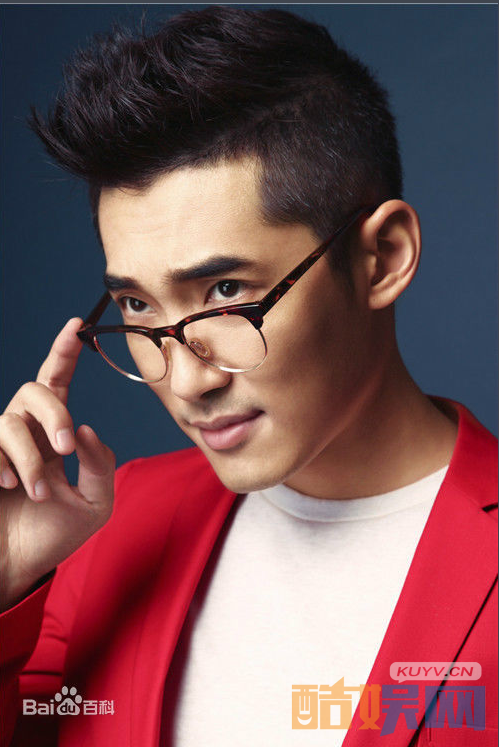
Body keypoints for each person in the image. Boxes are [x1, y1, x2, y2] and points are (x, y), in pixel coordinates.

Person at [0, 7, 496, 747]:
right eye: (136, 304)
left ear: (382, 257)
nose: (185, 381)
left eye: (226, 293)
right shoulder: (110, 525)